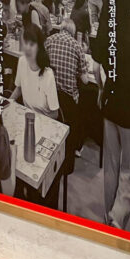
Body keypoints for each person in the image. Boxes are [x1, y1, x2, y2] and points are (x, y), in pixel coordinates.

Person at [95, 0, 130, 231]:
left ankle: (108, 215)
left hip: (109, 104)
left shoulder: (106, 29)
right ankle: (117, 219)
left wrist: (101, 90)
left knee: (111, 167)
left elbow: (97, 68)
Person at [45, 19, 87, 171]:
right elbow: (85, 80)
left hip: (50, 96)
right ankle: (75, 150)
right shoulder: (77, 46)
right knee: (85, 105)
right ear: (73, 32)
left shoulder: (49, 40)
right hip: (68, 100)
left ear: (61, 28)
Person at [7, 21, 59, 118]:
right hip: (27, 116)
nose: (27, 48)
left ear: (39, 47)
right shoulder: (22, 61)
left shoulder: (48, 74)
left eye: (31, 44)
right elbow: (19, 88)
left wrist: (37, 120)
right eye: (25, 43)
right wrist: (7, 103)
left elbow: (55, 114)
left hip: (43, 119)